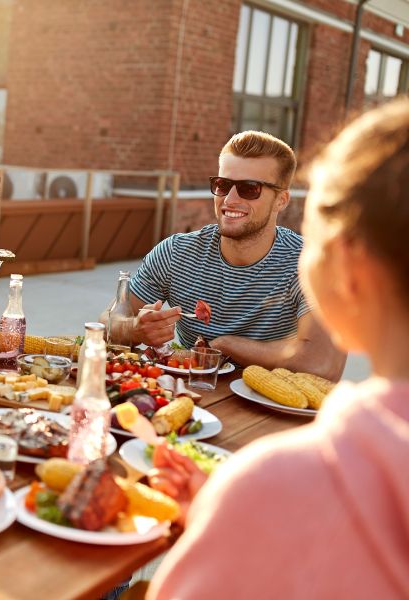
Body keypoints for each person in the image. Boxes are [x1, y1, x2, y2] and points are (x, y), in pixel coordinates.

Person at [146, 100, 409, 598]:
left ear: (347, 271)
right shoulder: (180, 250)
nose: (229, 197)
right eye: (222, 184)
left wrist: (241, 508)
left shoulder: (273, 482)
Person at [113, 130, 344, 380]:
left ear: (281, 200)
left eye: (249, 188)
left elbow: (323, 363)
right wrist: (133, 329)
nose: (229, 200)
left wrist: (225, 345)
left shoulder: (310, 262)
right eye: (222, 185)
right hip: (195, 397)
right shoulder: (175, 253)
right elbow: (109, 323)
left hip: (274, 412)